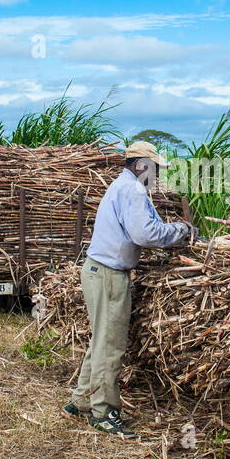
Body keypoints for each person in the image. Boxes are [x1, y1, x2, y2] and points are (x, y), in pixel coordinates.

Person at [65, 141, 192, 437]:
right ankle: (104, 412)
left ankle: (82, 399)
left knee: (101, 339)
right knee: (111, 345)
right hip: (109, 275)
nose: (157, 175)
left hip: (98, 270)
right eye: (155, 168)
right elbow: (145, 234)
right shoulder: (133, 191)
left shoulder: (121, 186)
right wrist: (180, 230)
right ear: (140, 165)